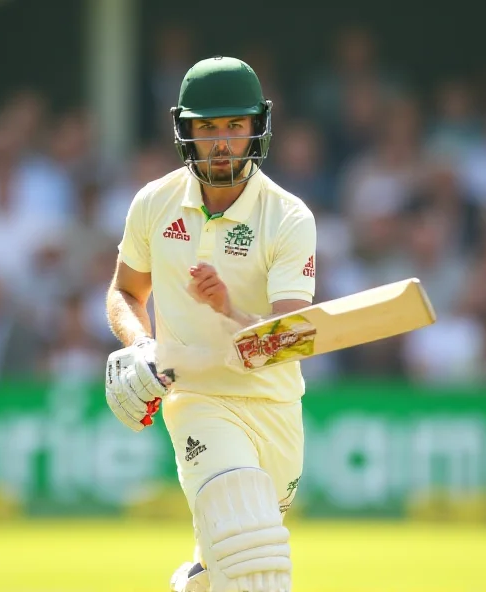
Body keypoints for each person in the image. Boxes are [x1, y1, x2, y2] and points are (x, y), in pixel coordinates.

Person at [104, 56, 316, 592]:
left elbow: (289, 337)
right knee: (255, 568)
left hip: (274, 407)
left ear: (256, 128)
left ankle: (196, 580)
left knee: (228, 570)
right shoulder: (154, 203)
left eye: (235, 126)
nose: (222, 141)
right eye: (208, 127)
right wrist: (142, 344)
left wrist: (229, 310)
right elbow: (125, 292)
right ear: (186, 131)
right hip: (196, 398)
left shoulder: (289, 218)